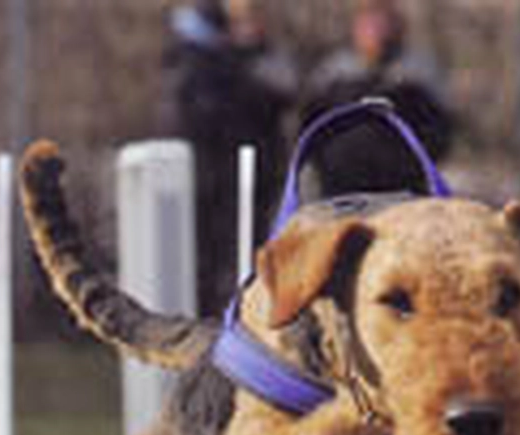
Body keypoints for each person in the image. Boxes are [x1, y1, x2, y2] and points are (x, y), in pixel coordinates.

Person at [159, 0, 298, 313]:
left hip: (253, 174)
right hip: (207, 173)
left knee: (248, 255)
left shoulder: (264, 58)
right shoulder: (195, 54)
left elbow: (283, 93)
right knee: (204, 260)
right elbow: (191, 112)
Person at [300, 0, 455, 197]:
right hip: (339, 190)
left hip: (402, 191)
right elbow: (310, 127)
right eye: (367, 24)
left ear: (397, 26)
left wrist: (410, 163)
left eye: (381, 23)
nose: (374, 31)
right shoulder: (333, 72)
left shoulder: (419, 73)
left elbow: (440, 131)